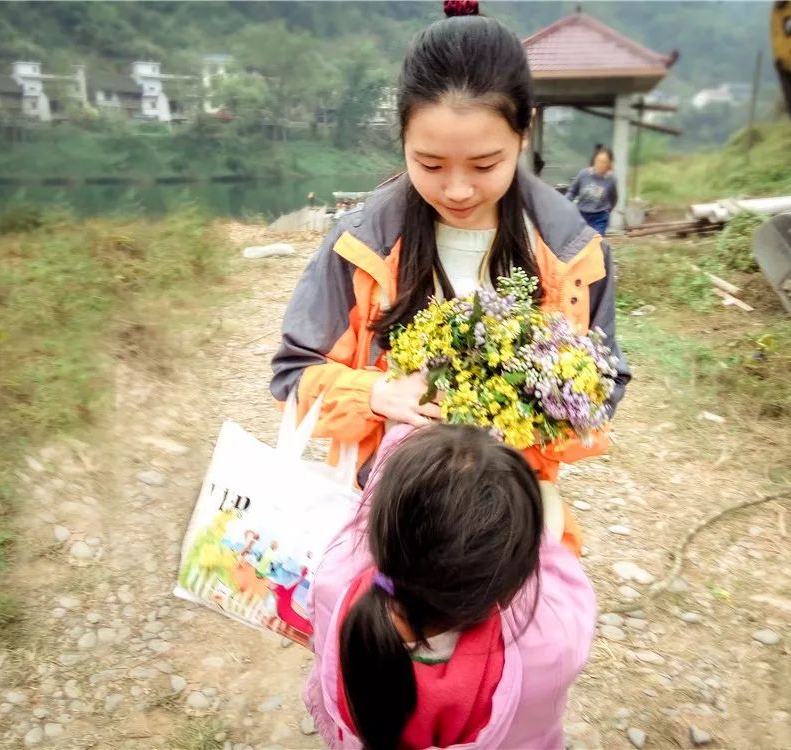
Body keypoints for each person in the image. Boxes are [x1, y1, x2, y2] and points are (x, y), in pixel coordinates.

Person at [270, 2, 631, 538]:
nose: (457, 190)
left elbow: (605, 385)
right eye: (430, 165)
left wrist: (528, 418)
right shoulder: (360, 244)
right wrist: (377, 395)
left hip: (509, 519)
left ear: (523, 132)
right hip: (385, 512)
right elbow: (292, 374)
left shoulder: (572, 251)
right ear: (403, 138)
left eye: (486, 165)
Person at [304, 424, 597, 750]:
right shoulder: (547, 647)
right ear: (512, 586)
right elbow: (561, 571)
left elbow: (376, 499)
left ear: (376, 536)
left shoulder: (337, 579)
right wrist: (531, 515)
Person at [566, 144, 618, 235]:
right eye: (599, 161)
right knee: (580, 242)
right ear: (594, 161)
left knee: (595, 242)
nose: (600, 164)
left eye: (604, 162)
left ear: (609, 164)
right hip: (581, 215)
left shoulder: (611, 180)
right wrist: (564, 202)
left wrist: (607, 211)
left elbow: (613, 199)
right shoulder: (584, 174)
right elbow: (572, 192)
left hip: (600, 217)